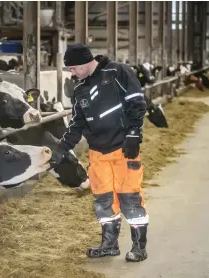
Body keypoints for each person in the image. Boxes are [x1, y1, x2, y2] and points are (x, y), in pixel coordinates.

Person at [57, 44, 149, 262]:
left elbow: (137, 102)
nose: (71, 72)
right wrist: (61, 148)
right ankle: (109, 245)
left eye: (73, 67)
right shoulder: (80, 90)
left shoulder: (118, 71)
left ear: (86, 61)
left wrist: (134, 133)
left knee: (130, 198)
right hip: (97, 153)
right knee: (104, 201)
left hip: (123, 148)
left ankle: (139, 247)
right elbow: (77, 124)